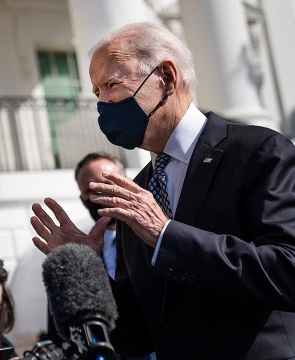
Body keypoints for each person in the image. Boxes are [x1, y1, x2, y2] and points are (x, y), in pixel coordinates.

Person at [29, 22, 295, 360]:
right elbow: (137, 337)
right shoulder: (135, 194)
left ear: (166, 78)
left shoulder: (258, 151)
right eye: (97, 92)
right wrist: (86, 268)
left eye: (112, 84)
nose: (103, 102)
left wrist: (166, 235)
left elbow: (288, 272)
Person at [74, 152, 125, 278]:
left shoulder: (153, 234)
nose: (100, 194)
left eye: (106, 185)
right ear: (83, 201)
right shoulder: (81, 252)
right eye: (90, 190)